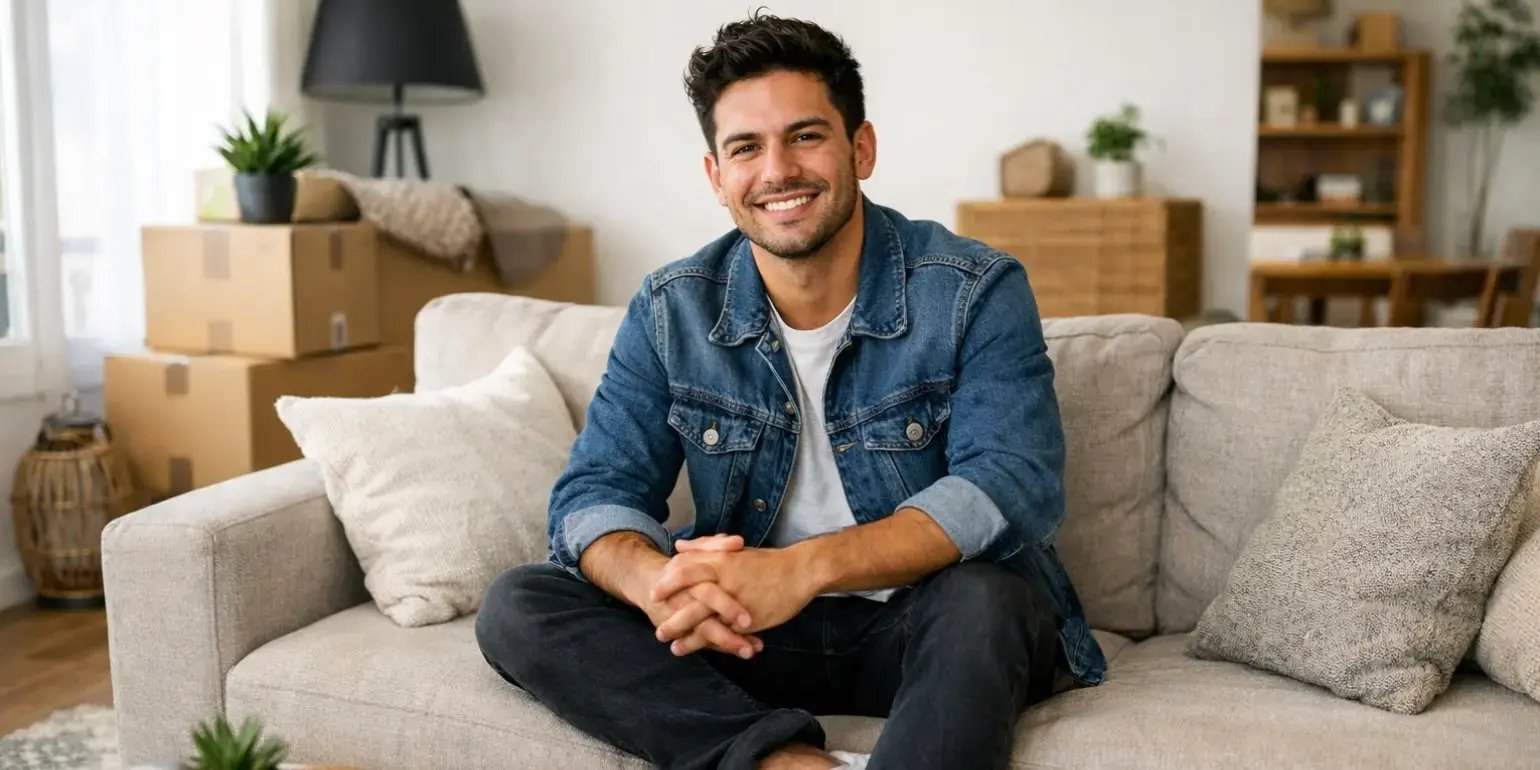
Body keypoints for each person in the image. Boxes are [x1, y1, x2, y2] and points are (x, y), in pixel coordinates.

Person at [475, 12, 1105, 770]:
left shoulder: (974, 290)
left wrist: (801, 569)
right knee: (521, 604)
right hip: (747, 633)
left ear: (860, 148)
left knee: (987, 597)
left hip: (924, 626)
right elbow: (593, 493)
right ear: (717, 177)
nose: (777, 171)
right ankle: (782, 763)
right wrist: (656, 583)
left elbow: (1011, 485)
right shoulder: (672, 309)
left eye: (805, 135)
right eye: (745, 147)